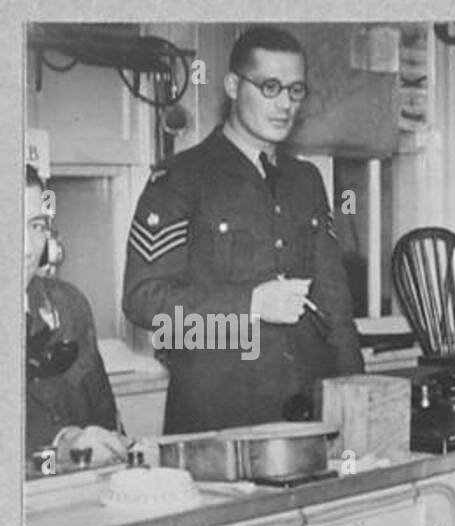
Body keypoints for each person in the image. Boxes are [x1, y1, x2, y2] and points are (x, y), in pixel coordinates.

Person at [122, 25, 363, 434]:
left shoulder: (306, 180)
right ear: (233, 85)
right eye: (270, 86)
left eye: (295, 90)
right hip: (219, 421)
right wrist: (249, 304)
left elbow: (335, 305)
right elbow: (144, 304)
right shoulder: (180, 178)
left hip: (308, 417)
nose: (285, 103)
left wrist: (359, 398)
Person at [25, 164, 125, 469]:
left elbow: (106, 424)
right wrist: (61, 449)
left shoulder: (69, 306)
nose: (27, 249)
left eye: (36, 226)